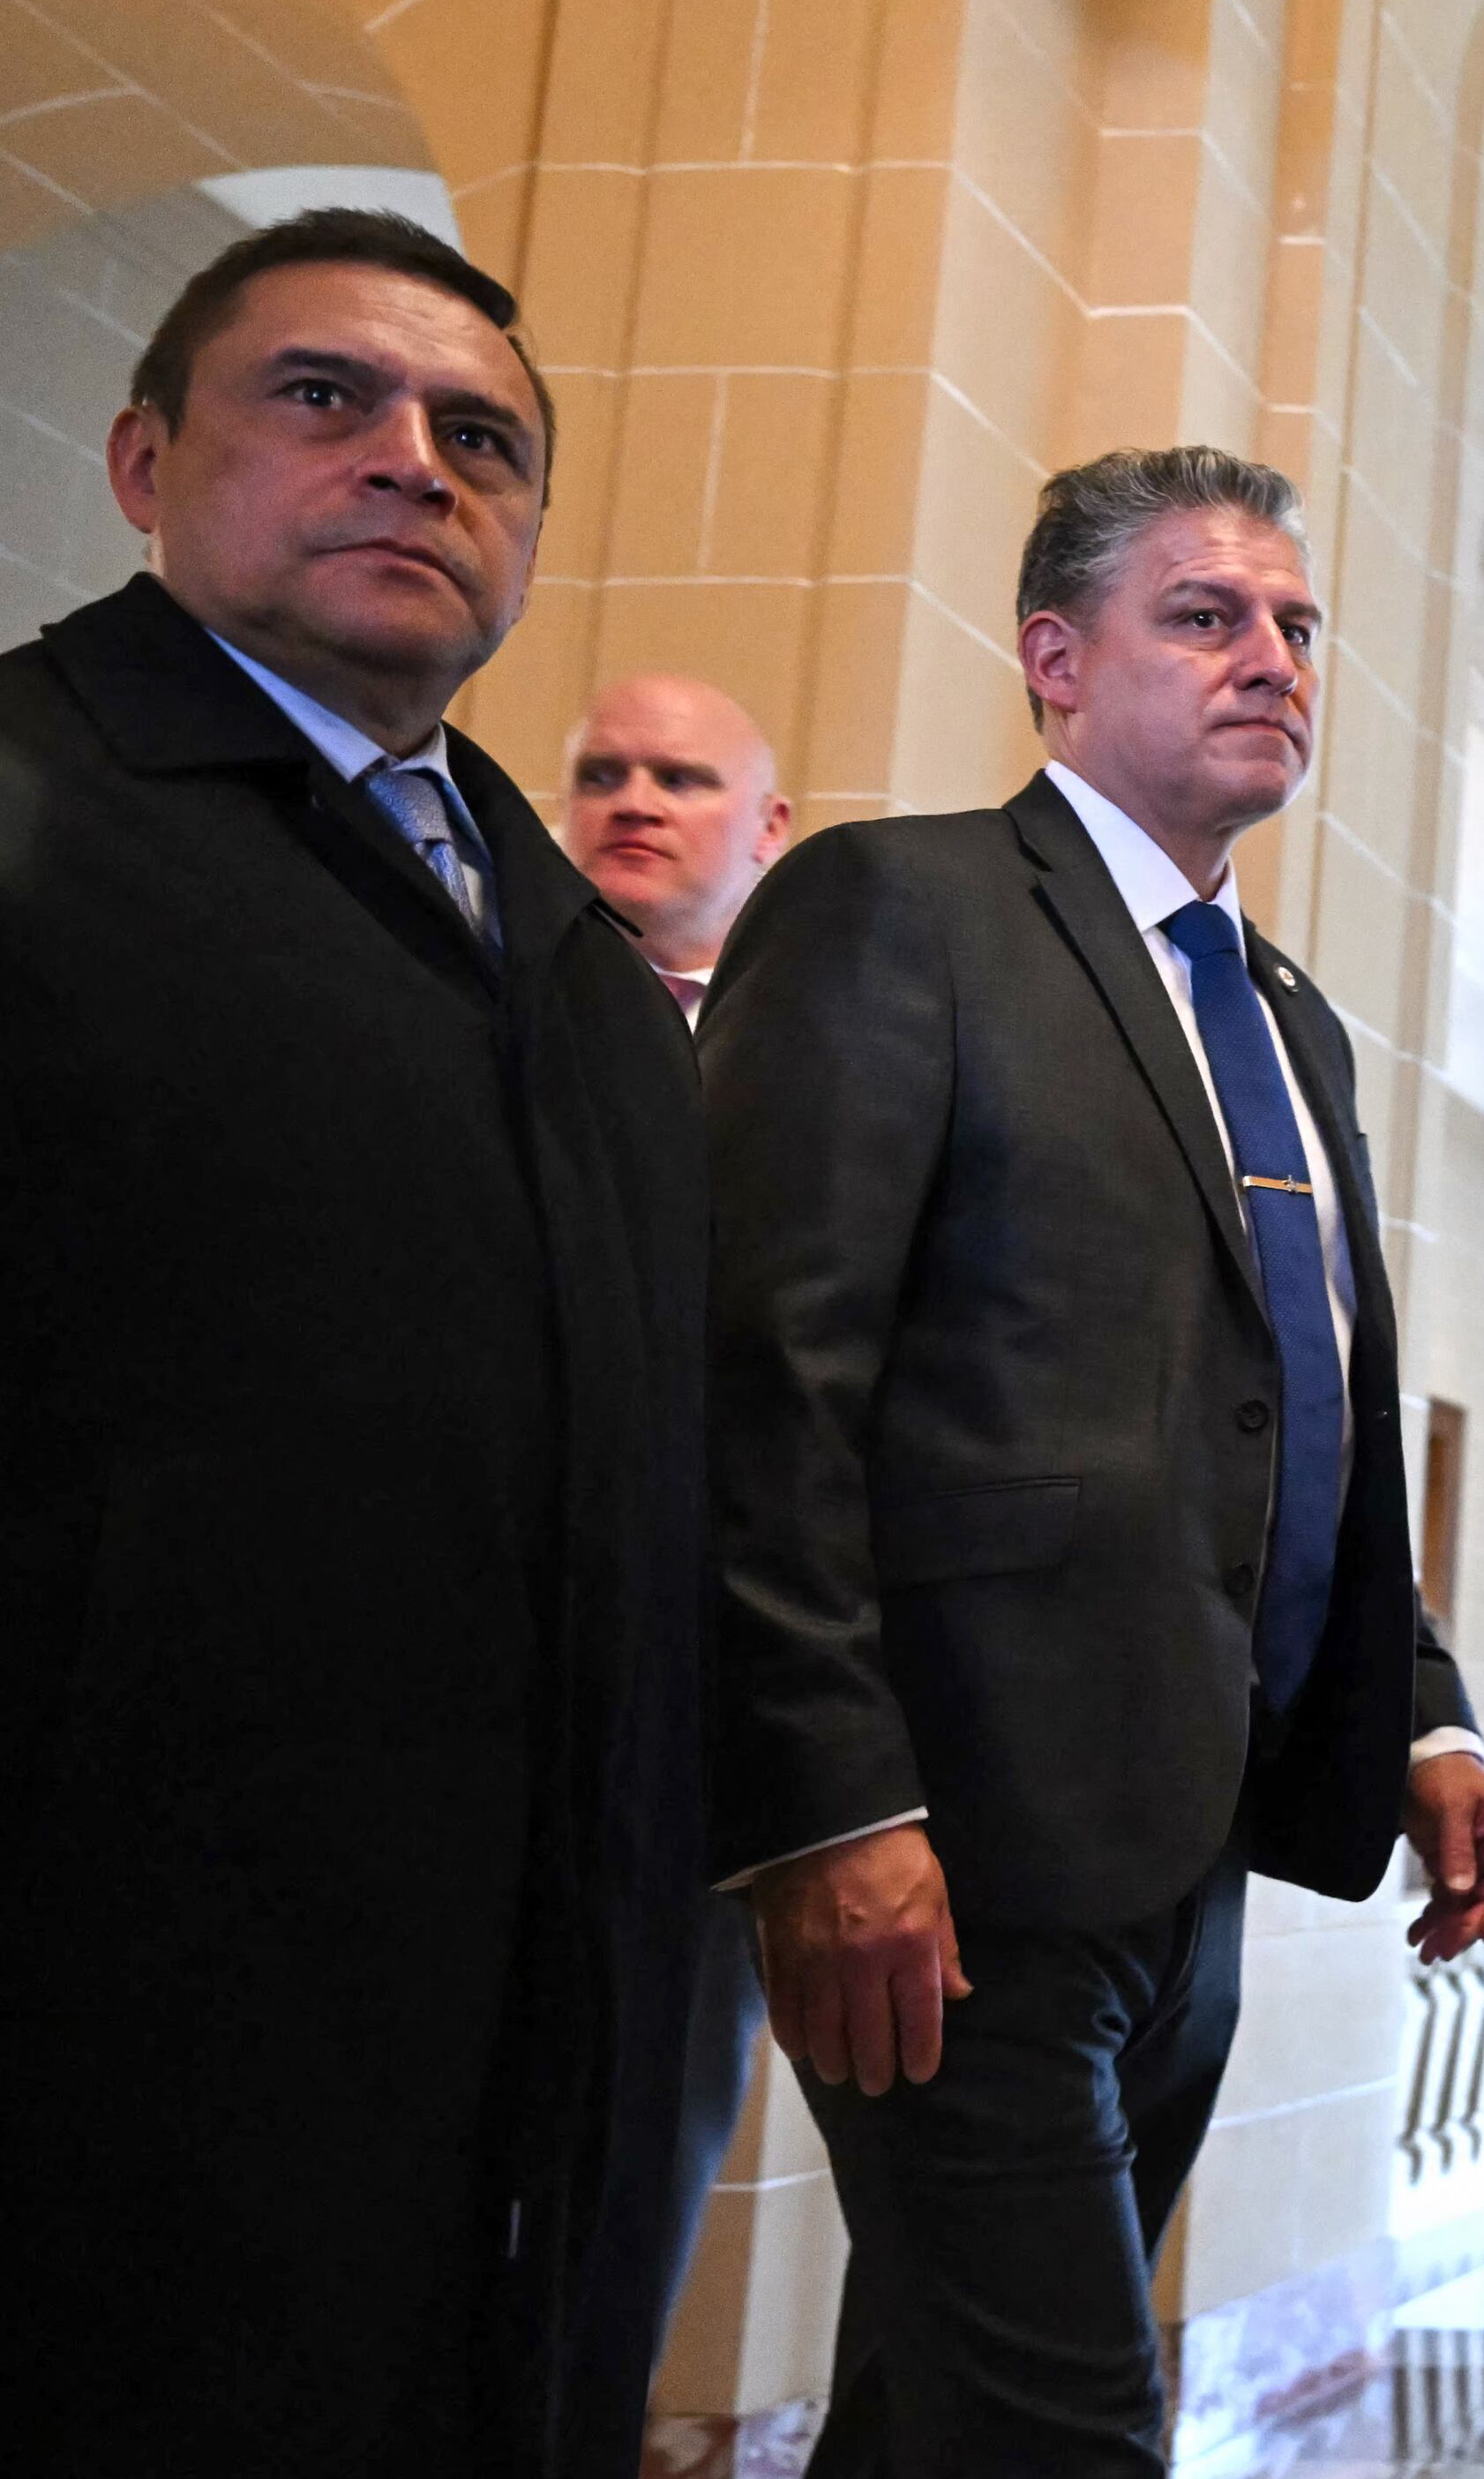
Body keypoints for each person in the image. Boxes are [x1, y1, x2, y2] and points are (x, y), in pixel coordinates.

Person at [704, 444, 1484, 2475]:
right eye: (1205, 616)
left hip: (1196, 1862)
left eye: (1293, 624)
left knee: (934, 2416)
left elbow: (1294, 1409)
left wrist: (1418, 1714)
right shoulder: (903, 909)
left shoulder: (1291, 1022)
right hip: (952, 1853)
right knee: (1069, 2433)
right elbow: (758, 1379)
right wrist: (827, 1808)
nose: (1272, 659)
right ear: (1055, 661)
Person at [0, 207, 709, 2478]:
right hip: (106, 2000)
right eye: (325, 399)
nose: (415, 461)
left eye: (481, 437)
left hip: (517, 2007)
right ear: (142, 461)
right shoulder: (32, 804)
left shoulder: (579, 963)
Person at [557, 671, 795, 2340]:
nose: (635, 798)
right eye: (604, 771)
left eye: (684, 777)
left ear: (768, 832)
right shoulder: (479, 1008)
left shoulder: (822, 1069)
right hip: (460, 1688)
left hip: (703, 1718)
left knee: (630, 2172)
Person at [561, 669, 792, 1018]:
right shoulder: (493, 990)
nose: (633, 804)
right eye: (600, 777)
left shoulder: (829, 1013)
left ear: (770, 828)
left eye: (677, 780)